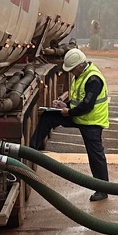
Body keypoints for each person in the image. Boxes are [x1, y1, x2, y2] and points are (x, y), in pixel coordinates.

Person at [32, 47, 112, 200]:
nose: (71, 73)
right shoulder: (81, 75)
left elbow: (87, 105)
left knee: (95, 156)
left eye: (72, 70)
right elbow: (78, 100)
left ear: (80, 66)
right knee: (48, 117)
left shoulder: (93, 79)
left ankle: (102, 189)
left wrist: (69, 112)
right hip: (80, 116)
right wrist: (64, 104)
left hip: (92, 122)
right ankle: (31, 151)